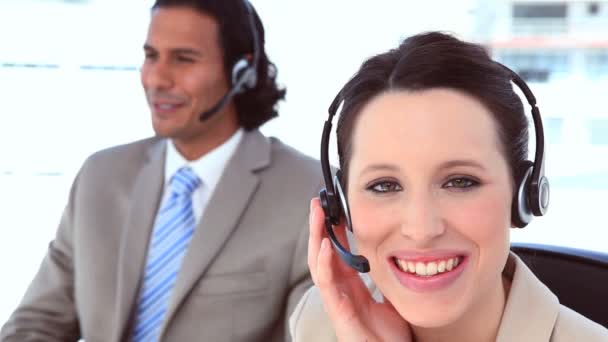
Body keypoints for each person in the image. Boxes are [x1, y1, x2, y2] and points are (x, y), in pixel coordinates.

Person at [1, 0, 322, 341]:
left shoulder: (308, 191)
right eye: (151, 55)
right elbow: (36, 324)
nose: (156, 78)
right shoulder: (100, 177)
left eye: (184, 59)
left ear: (240, 71)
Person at [289, 32, 608, 341]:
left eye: (460, 182)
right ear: (340, 207)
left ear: (523, 195)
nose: (422, 229)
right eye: (384, 186)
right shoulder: (321, 323)